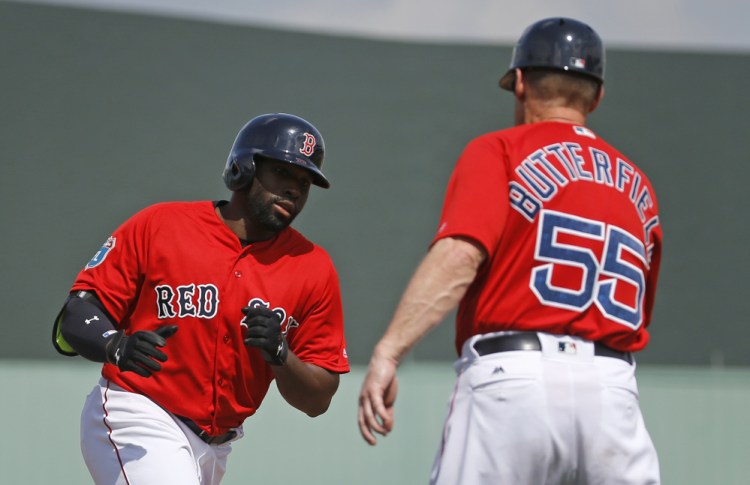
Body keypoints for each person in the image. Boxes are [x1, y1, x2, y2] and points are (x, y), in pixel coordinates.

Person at [358, 17, 662, 484]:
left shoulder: (499, 150)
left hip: (514, 382)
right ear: (597, 95)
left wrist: (388, 352)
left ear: (520, 83)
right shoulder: (639, 187)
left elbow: (461, 255)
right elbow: (639, 311)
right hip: (612, 393)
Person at [52, 113, 349, 485]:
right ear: (243, 168)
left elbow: (317, 399)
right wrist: (115, 345)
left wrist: (280, 354)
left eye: (304, 182)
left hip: (215, 447)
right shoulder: (161, 225)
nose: (294, 189)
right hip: (138, 413)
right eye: (282, 173)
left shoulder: (313, 267)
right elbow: (79, 311)